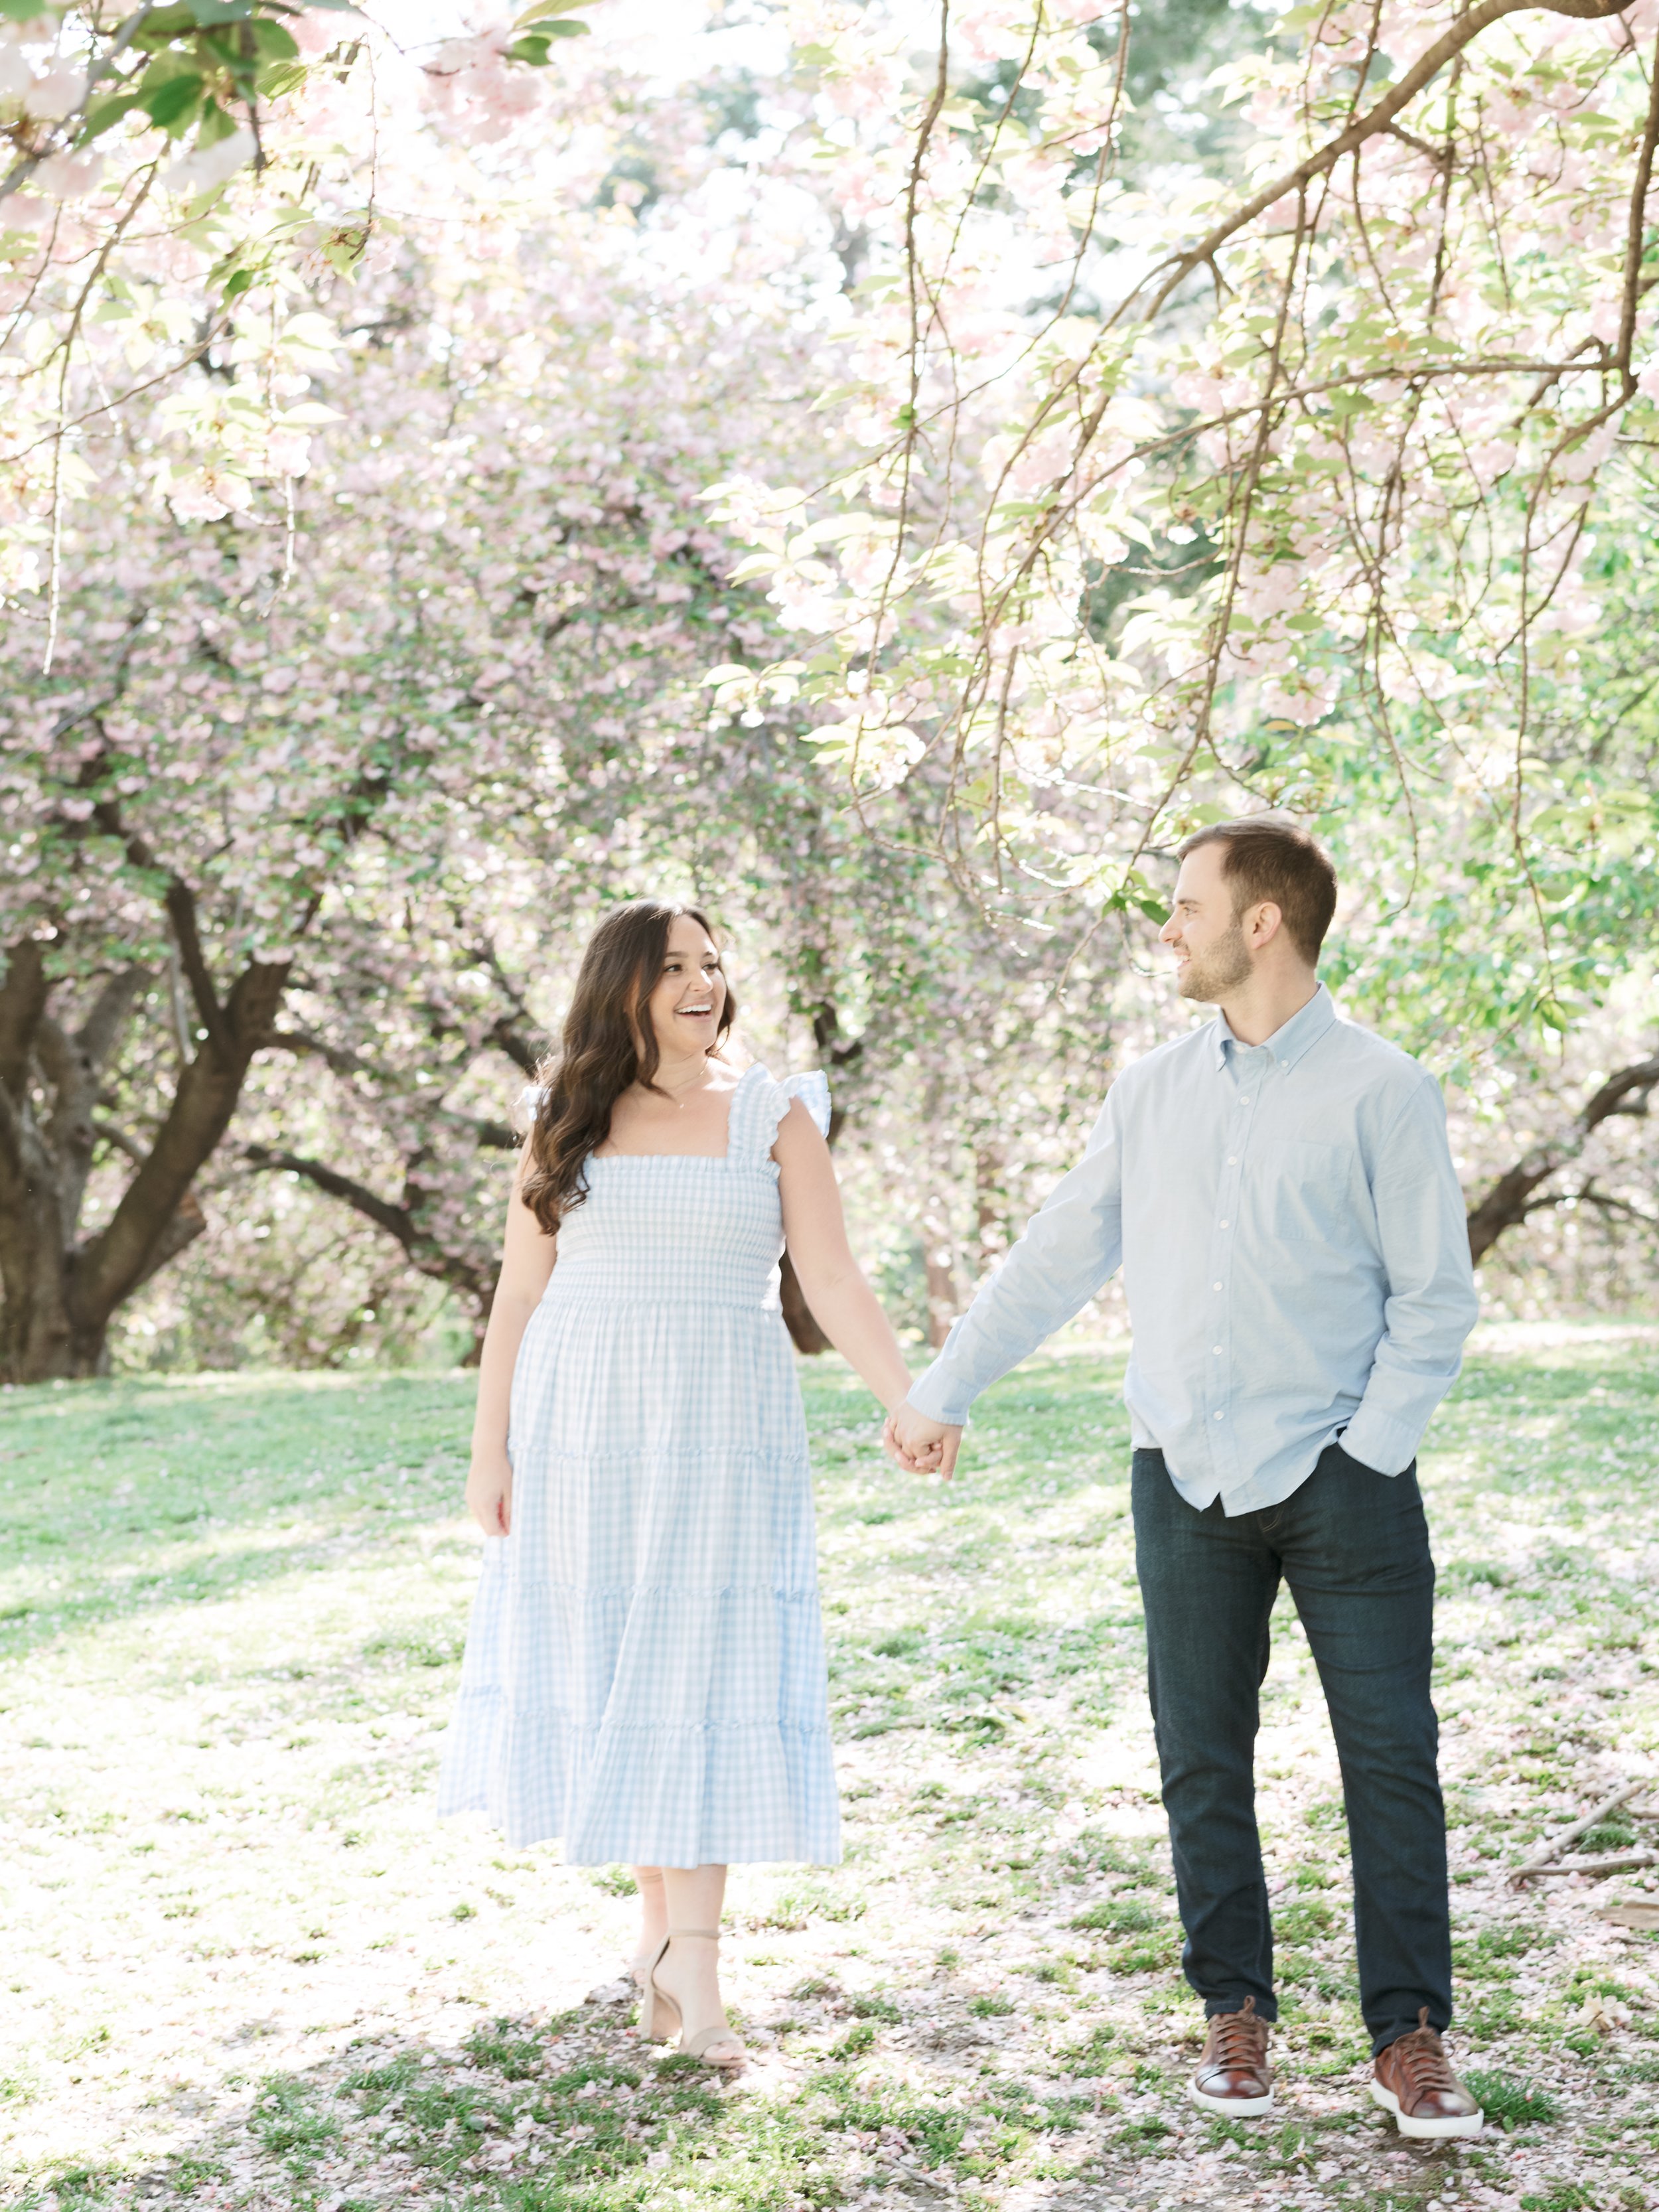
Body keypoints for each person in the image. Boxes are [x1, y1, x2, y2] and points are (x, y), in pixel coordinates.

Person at [887, 818, 1485, 2140]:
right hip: (1183, 1475)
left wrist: (1367, 1448)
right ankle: (1234, 2010)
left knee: (1388, 1755)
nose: (1167, 928)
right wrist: (942, 1387)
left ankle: (1409, 2036)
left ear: (1259, 920)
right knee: (1197, 1755)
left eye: (1184, 905)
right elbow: (1055, 1254)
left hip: (1343, 1478)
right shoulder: (1149, 1090)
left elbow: (1434, 1298)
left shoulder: (1381, 1088)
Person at [439, 898, 924, 2067]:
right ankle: (666, 1945)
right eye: (674, 968)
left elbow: (835, 1278)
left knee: (699, 1669)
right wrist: (487, 1446)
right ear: (623, 987)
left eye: (712, 964)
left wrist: (906, 1395)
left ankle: (691, 1970)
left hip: (723, 1422)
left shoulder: (774, 1112)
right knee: (623, 1671)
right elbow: (516, 1294)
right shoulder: (564, 1116)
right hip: (582, 1424)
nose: (703, 983)